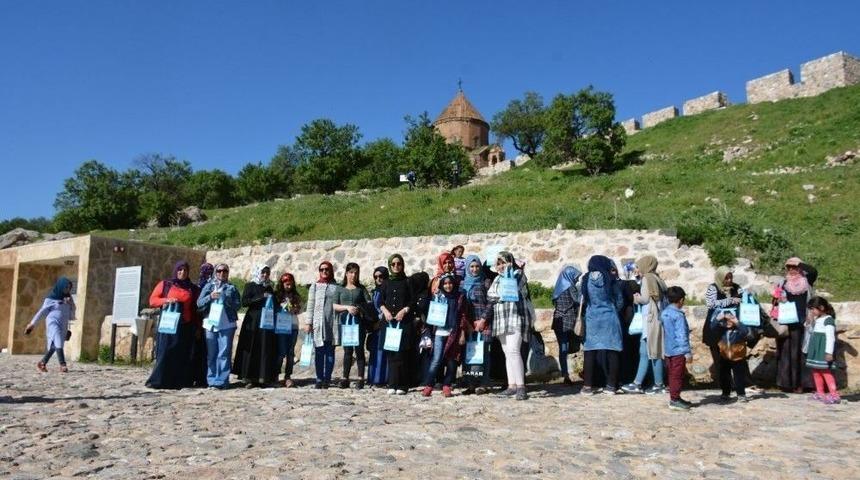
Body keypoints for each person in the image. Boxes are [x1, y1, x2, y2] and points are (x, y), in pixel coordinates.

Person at [146, 261, 201, 389]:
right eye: (180, 270)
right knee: (165, 352)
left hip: (185, 325)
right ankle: (159, 380)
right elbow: (152, 300)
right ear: (175, 271)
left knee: (181, 354)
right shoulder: (166, 285)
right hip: (168, 325)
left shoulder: (192, 288)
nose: (182, 272)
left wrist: (197, 327)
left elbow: (195, 309)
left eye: (185, 270)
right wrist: (166, 300)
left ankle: (178, 381)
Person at [486, 251, 533, 401]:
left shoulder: (518, 274)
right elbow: (491, 295)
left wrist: (508, 276)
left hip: (516, 317)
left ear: (510, 262)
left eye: (503, 262)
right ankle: (511, 385)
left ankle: (521, 386)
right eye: (498, 263)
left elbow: (512, 289)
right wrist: (502, 294)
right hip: (501, 319)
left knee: (513, 350)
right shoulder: (497, 279)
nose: (500, 266)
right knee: (507, 352)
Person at [622, 255, 668, 394]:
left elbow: (646, 298)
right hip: (653, 319)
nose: (637, 269)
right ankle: (638, 383)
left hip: (651, 320)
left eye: (638, 266)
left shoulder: (647, 278)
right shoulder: (657, 278)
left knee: (654, 352)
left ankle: (659, 384)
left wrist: (636, 298)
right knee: (644, 351)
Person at [580, 255, 624, 395]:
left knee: (590, 352)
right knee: (612, 350)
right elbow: (619, 300)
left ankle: (587, 386)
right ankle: (611, 385)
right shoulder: (609, 278)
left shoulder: (585, 279)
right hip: (609, 317)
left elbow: (582, 297)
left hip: (592, 317)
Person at [772, 257, 818, 393]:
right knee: (786, 352)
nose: (791, 270)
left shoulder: (807, 281)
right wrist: (777, 297)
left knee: (801, 353)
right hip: (786, 322)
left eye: (794, 267)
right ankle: (786, 384)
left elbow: (813, 271)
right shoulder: (783, 282)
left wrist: (800, 264)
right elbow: (775, 301)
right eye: (789, 267)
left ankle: (802, 384)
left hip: (803, 322)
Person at [421, 274, 468, 397]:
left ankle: (447, 385)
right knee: (436, 360)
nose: (448, 286)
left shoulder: (459, 297)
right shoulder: (438, 296)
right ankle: (429, 385)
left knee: (452, 361)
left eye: (450, 283)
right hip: (439, 332)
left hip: (454, 332)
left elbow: (462, 316)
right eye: (445, 283)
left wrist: (462, 333)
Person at [232, 264, 279, 388]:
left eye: (267, 273)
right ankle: (249, 376)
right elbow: (245, 302)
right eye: (263, 272)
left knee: (264, 347)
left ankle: (263, 377)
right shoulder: (250, 286)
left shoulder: (269, 287)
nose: (265, 275)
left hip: (266, 322)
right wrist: (260, 297)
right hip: (253, 321)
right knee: (252, 346)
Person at [197, 263, 241, 389]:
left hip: (227, 324)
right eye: (219, 271)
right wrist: (210, 297)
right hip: (210, 324)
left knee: (224, 353)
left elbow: (238, 305)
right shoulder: (209, 286)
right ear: (215, 272)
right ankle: (211, 380)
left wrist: (226, 298)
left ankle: (222, 381)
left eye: (225, 271)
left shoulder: (232, 287)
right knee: (211, 354)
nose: (222, 273)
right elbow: (199, 303)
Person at [378, 254, 416, 395]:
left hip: (403, 322)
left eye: (398, 263)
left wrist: (404, 311)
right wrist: (385, 311)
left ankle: (402, 385)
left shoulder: (407, 281)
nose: (396, 266)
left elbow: (412, 301)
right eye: (393, 264)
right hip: (388, 322)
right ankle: (392, 384)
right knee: (391, 354)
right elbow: (380, 301)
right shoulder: (386, 282)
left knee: (402, 354)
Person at [25, 277, 75, 373]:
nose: (67, 289)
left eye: (69, 287)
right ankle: (63, 365)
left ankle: (42, 363)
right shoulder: (50, 299)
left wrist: (70, 304)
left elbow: (71, 312)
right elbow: (41, 311)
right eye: (66, 287)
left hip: (63, 324)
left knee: (54, 346)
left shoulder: (69, 298)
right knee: (58, 341)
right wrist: (32, 324)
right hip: (52, 322)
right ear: (60, 286)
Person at [334, 262, 370, 389]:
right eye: (351, 272)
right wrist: (347, 307)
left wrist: (359, 309)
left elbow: (368, 304)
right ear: (346, 273)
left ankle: (361, 378)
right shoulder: (340, 288)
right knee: (347, 350)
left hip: (358, 323)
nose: (353, 275)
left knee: (359, 349)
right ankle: (345, 377)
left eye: (356, 273)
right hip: (345, 323)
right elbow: (334, 305)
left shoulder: (361, 289)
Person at [304, 261, 340, 389]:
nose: (324, 272)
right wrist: (308, 322)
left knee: (330, 352)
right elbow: (310, 306)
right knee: (319, 352)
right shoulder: (314, 286)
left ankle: (327, 379)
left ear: (331, 271)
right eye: (322, 269)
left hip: (332, 323)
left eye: (327, 269)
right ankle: (319, 378)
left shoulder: (336, 286)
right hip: (318, 323)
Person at [703, 267, 741, 385]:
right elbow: (710, 304)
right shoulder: (713, 288)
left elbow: (742, 299)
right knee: (719, 356)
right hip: (716, 327)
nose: (729, 280)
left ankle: (739, 382)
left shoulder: (737, 287)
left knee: (736, 355)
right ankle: (724, 383)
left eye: (731, 277)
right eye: (726, 278)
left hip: (732, 327)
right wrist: (730, 301)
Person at [461, 254, 492, 394]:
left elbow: (491, 303)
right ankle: (470, 384)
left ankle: (483, 384)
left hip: (483, 323)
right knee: (469, 353)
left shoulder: (486, 282)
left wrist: (483, 320)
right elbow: (460, 305)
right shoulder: (462, 284)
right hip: (468, 324)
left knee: (483, 353)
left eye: (477, 266)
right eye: (472, 266)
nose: (474, 269)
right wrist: (466, 323)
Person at [661, 286, 693, 410]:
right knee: (677, 375)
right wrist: (687, 352)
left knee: (672, 374)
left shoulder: (664, 313)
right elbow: (681, 335)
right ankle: (674, 399)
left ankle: (676, 397)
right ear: (681, 300)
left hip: (668, 350)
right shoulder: (678, 316)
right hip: (678, 351)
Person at [805, 297, 840, 404]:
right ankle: (820, 393)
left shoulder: (828, 320)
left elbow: (830, 337)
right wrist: (809, 322)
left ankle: (834, 395)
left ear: (821, 307)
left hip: (823, 349)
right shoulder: (817, 319)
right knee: (816, 370)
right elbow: (811, 331)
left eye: (813, 309)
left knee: (825, 371)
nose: (811, 311)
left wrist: (829, 352)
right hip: (815, 348)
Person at [710, 308, 750, 403]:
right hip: (724, 357)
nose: (728, 322)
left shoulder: (738, 331)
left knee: (739, 377)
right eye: (726, 320)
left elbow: (745, 331)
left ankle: (741, 394)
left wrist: (736, 321)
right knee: (724, 376)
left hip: (738, 358)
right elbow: (712, 327)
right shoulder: (722, 330)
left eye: (730, 320)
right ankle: (726, 393)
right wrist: (719, 318)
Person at [551, 265, 582, 386]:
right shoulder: (571, 287)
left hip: (558, 321)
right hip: (569, 321)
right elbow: (578, 300)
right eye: (576, 277)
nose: (577, 280)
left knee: (562, 348)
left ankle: (565, 374)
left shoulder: (558, 287)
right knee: (571, 346)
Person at [274, 272, 302, 388]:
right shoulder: (277, 296)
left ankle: (288, 376)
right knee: (280, 352)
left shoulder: (296, 296)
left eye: (289, 281)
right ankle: (275, 375)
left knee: (290, 353)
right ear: (282, 283)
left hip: (293, 326)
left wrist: (295, 309)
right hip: (281, 326)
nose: (287, 283)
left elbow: (300, 309)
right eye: (285, 281)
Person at [365, 266, 390, 387]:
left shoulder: (388, 290)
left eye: (381, 276)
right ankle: (373, 377)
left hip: (384, 324)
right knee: (375, 351)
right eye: (376, 277)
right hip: (375, 327)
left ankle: (381, 378)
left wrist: (380, 323)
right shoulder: (375, 291)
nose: (378, 279)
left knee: (383, 352)